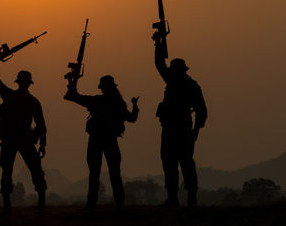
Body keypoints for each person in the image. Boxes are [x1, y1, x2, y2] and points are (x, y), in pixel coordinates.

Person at [64, 75, 139, 209]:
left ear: (103, 88)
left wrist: (72, 84)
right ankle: (119, 203)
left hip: (96, 140)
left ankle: (91, 204)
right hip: (110, 140)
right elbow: (132, 118)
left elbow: (73, 97)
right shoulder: (118, 103)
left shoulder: (97, 101)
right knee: (114, 173)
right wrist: (135, 106)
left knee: (95, 173)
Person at [0, 48, 47, 211]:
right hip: (19, 139)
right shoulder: (31, 100)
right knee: (19, 170)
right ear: (27, 82)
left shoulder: (13, 97)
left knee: (21, 170)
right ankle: (33, 201)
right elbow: (41, 126)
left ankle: (28, 201)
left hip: (17, 139)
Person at [152, 32, 208, 207]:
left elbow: (201, 111)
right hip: (177, 127)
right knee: (174, 163)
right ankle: (176, 198)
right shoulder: (190, 84)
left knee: (181, 163)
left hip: (179, 128)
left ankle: (186, 198)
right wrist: (159, 43)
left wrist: (158, 44)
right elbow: (202, 111)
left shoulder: (182, 84)